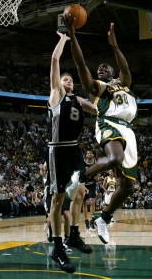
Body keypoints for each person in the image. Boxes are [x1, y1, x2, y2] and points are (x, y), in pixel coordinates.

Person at [64, 19, 138, 245]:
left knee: (129, 186)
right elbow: (80, 65)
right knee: (114, 158)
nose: (101, 69)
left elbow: (125, 69)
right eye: (99, 69)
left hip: (128, 131)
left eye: (105, 67)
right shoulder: (100, 88)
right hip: (108, 123)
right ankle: (79, 177)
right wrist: (73, 35)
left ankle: (103, 218)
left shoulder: (123, 83)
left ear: (113, 72)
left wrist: (115, 46)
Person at [47, 31, 96, 273]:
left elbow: (98, 109)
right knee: (57, 200)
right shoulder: (57, 95)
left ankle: (73, 235)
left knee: (81, 193)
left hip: (75, 150)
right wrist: (64, 40)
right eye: (65, 79)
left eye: (70, 80)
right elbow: (55, 62)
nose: (68, 81)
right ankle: (57, 247)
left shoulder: (77, 100)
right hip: (58, 151)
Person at [82, 150, 96, 230]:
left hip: (92, 184)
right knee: (84, 203)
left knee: (92, 202)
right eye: (87, 153)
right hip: (84, 184)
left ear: (93, 155)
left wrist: (98, 176)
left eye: (90, 153)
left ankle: (92, 220)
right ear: (86, 155)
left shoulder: (95, 162)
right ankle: (86, 221)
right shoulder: (83, 163)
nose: (89, 154)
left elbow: (98, 171)